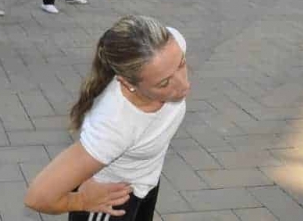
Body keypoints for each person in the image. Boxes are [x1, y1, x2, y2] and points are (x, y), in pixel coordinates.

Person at [24, 16, 189, 221]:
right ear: (129, 83)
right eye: (164, 83)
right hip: (112, 198)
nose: (183, 85)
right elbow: (38, 196)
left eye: (181, 64)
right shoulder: (115, 124)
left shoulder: (169, 46)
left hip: (145, 183)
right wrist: (82, 201)